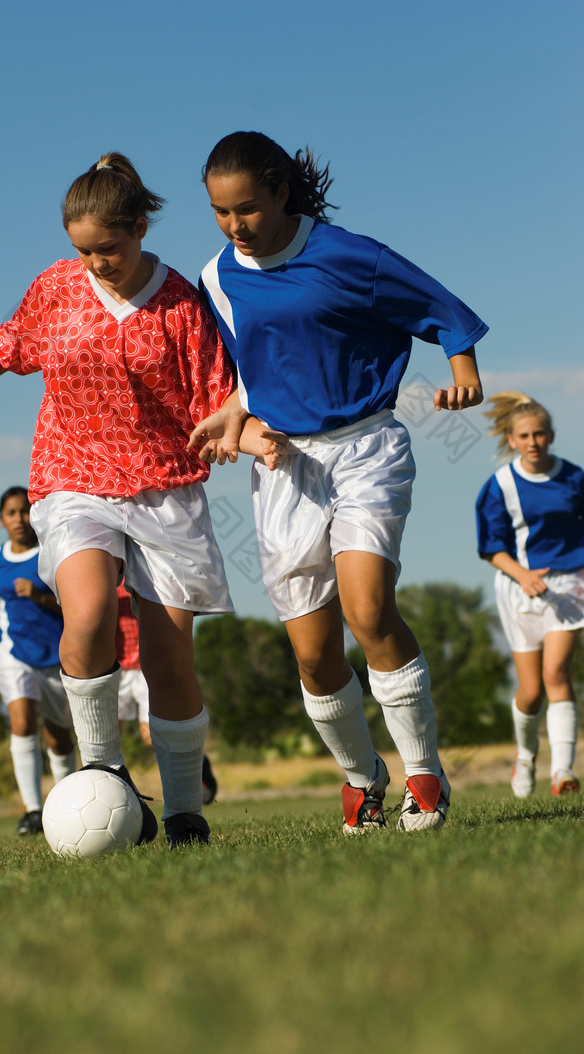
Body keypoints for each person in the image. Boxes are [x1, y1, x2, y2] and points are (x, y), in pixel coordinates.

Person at [0, 152, 277, 847]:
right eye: (82, 251)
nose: (95, 263)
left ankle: (184, 810)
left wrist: (260, 441)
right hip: (72, 479)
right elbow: (13, 343)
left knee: (168, 661)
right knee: (91, 612)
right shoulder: (56, 287)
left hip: (166, 488)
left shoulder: (179, 304)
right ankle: (103, 771)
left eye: (107, 249)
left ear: (139, 228)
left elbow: (211, 402)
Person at [190, 130, 488, 833]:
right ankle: (363, 779)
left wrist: (463, 375)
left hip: (366, 447)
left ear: (281, 193)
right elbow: (245, 368)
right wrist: (235, 417)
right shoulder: (215, 278)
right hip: (285, 467)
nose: (236, 225)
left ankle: (424, 772)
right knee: (315, 654)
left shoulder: (349, 254)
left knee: (368, 609)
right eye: (221, 212)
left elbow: (441, 309)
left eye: (249, 209)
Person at [476, 392, 584, 798]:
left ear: (552, 435)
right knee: (532, 690)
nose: (534, 441)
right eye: (525, 435)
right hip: (518, 587)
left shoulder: (575, 478)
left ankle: (562, 771)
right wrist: (523, 575)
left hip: (569, 586)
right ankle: (525, 756)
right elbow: (491, 545)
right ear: (511, 438)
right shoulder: (500, 485)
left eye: (540, 433)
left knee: (557, 674)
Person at [0, 486, 76, 834]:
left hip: (54, 654)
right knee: (22, 718)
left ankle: (66, 806)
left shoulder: (51, 553)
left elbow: (74, 604)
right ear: (1, 520)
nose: (19, 519)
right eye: (11, 513)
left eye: (25, 511)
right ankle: (31, 811)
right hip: (10, 651)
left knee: (59, 737)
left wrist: (41, 597)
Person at [115, 582, 219, 803]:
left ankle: (197, 766)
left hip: (145, 662)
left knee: (151, 737)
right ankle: (112, 794)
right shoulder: (103, 573)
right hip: (117, 665)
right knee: (111, 735)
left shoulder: (140, 575)